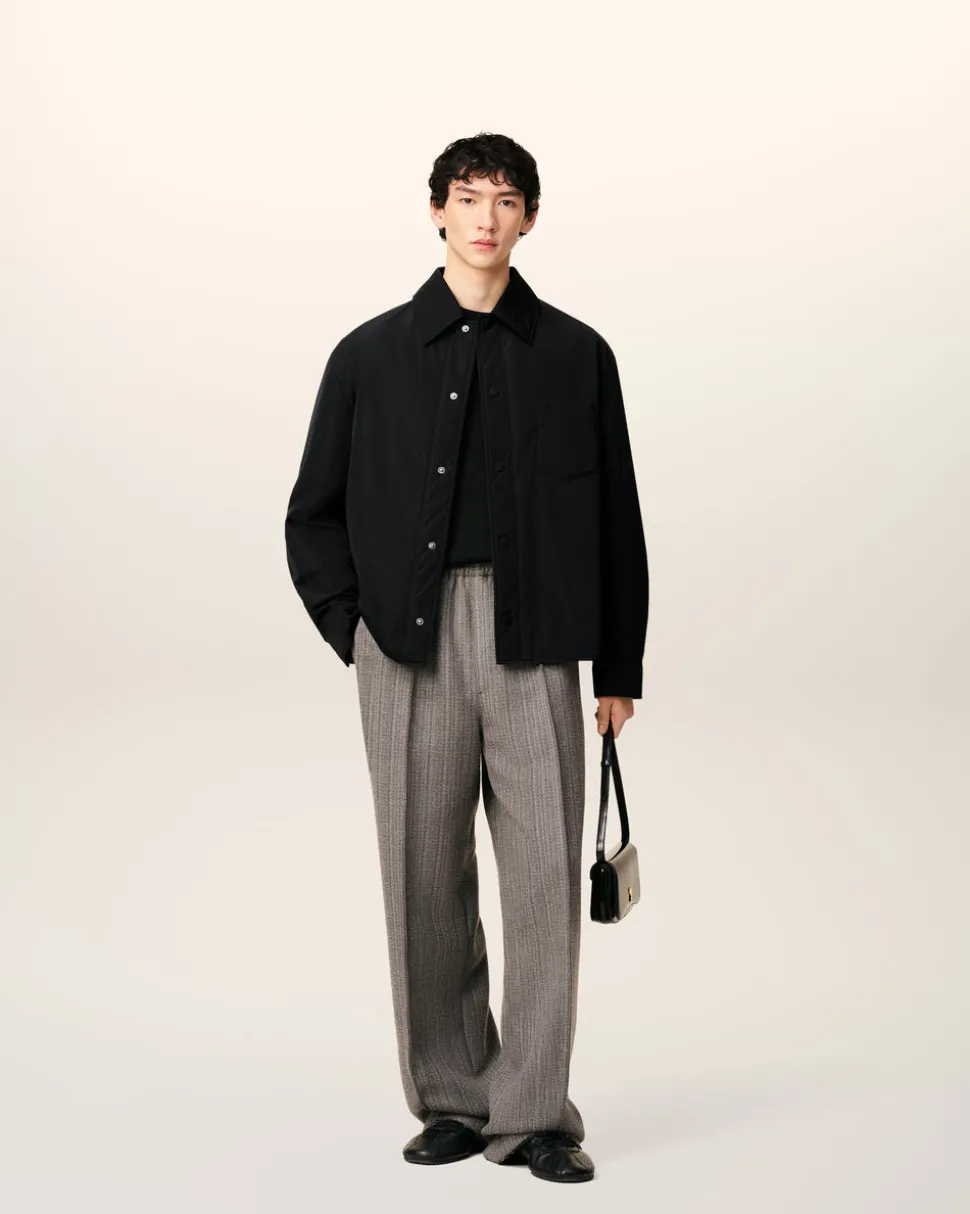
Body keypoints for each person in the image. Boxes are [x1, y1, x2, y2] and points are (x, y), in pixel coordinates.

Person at [285, 131, 649, 1184]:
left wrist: (618, 669)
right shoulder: (368, 356)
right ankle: (450, 1094)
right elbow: (313, 512)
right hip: (406, 643)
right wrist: (354, 631)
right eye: (467, 196)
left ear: (529, 218)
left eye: (505, 199)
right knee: (421, 875)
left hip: (540, 644)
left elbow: (617, 520)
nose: (486, 217)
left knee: (542, 881)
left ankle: (533, 1112)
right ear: (436, 211)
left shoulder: (578, 355)